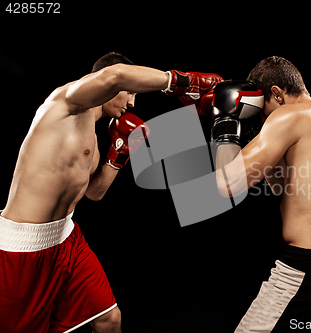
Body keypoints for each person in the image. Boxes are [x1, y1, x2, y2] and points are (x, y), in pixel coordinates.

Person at [0, 52, 222, 333]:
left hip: (67, 240)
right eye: (130, 92)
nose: (132, 102)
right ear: (107, 86)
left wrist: (119, 152)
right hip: (21, 248)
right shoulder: (65, 103)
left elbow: (94, 193)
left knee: (109, 320)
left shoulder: (91, 135)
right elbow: (116, 74)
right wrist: (181, 81)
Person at [212, 56, 311, 332]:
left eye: (262, 110)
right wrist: (259, 136)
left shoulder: (287, 116)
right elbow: (283, 187)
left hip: (308, 267)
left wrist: (225, 121)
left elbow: (227, 186)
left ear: (277, 94)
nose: (263, 118)